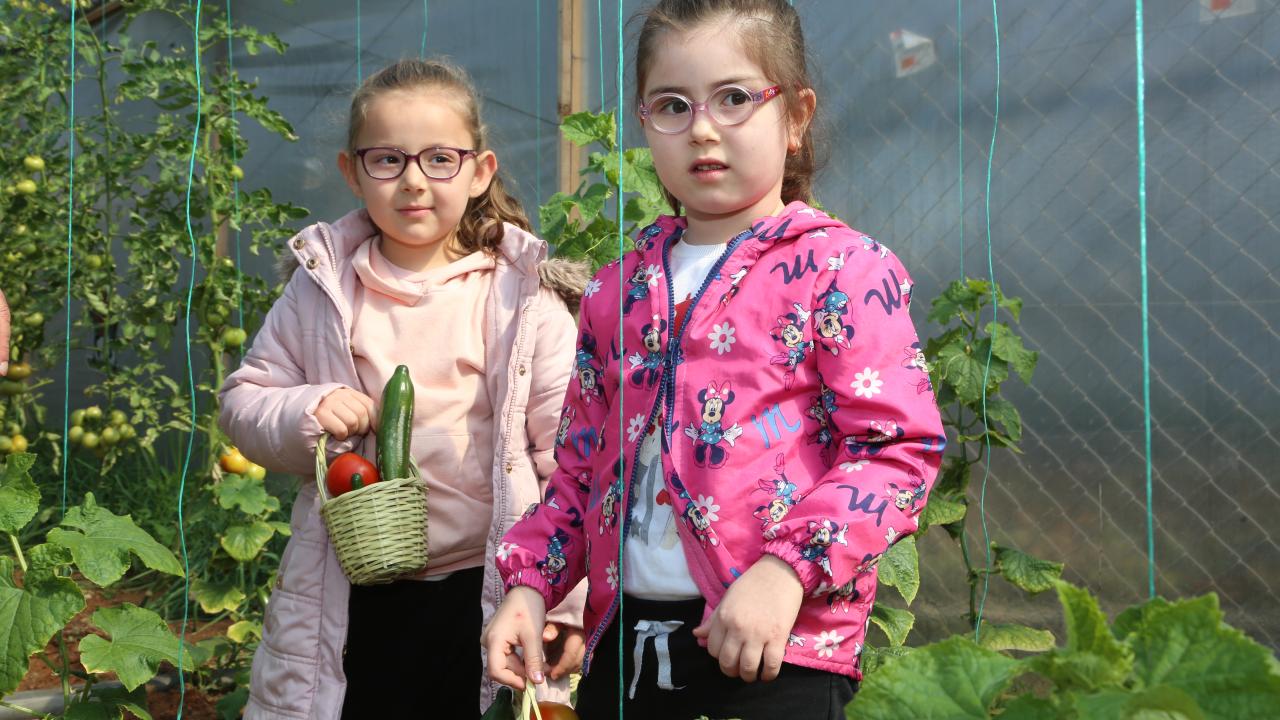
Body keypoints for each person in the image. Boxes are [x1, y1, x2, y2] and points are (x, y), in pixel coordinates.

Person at [482, 1, 946, 717]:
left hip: (776, 646)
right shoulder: (617, 290)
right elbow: (580, 472)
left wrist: (785, 572)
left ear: (795, 117)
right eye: (673, 105)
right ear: (645, 124)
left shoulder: (842, 270)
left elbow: (895, 449)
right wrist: (529, 584)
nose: (702, 128)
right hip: (627, 646)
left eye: (733, 98)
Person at [219, 58, 587, 719]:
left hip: (488, 591)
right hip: (350, 592)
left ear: (479, 172)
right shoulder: (320, 291)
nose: (414, 180)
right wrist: (307, 409)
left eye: (440, 159)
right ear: (352, 172)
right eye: (387, 160)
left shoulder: (522, 300)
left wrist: (562, 605)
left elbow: (567, 462)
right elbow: (244, 402)